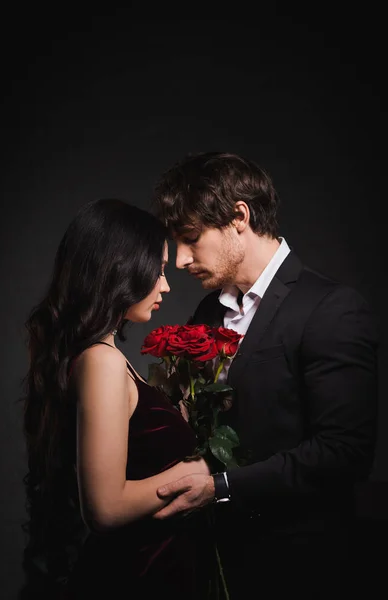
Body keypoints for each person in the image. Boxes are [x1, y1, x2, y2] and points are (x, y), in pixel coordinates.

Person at [152, 152, 379, 599]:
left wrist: (220, 487)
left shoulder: (331, 308)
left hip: (300, 568)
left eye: (191, 238)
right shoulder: (208, 310)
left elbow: (344, 453)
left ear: (239, 216)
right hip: (214, 563)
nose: (179, 260)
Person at [20, 198, 213, 600]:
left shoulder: (100, 358)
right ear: (121, 269)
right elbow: (105, 508)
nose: (166, 284)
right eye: (157, 270)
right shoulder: (101, 363)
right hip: (138, 576)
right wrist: (199, 472)